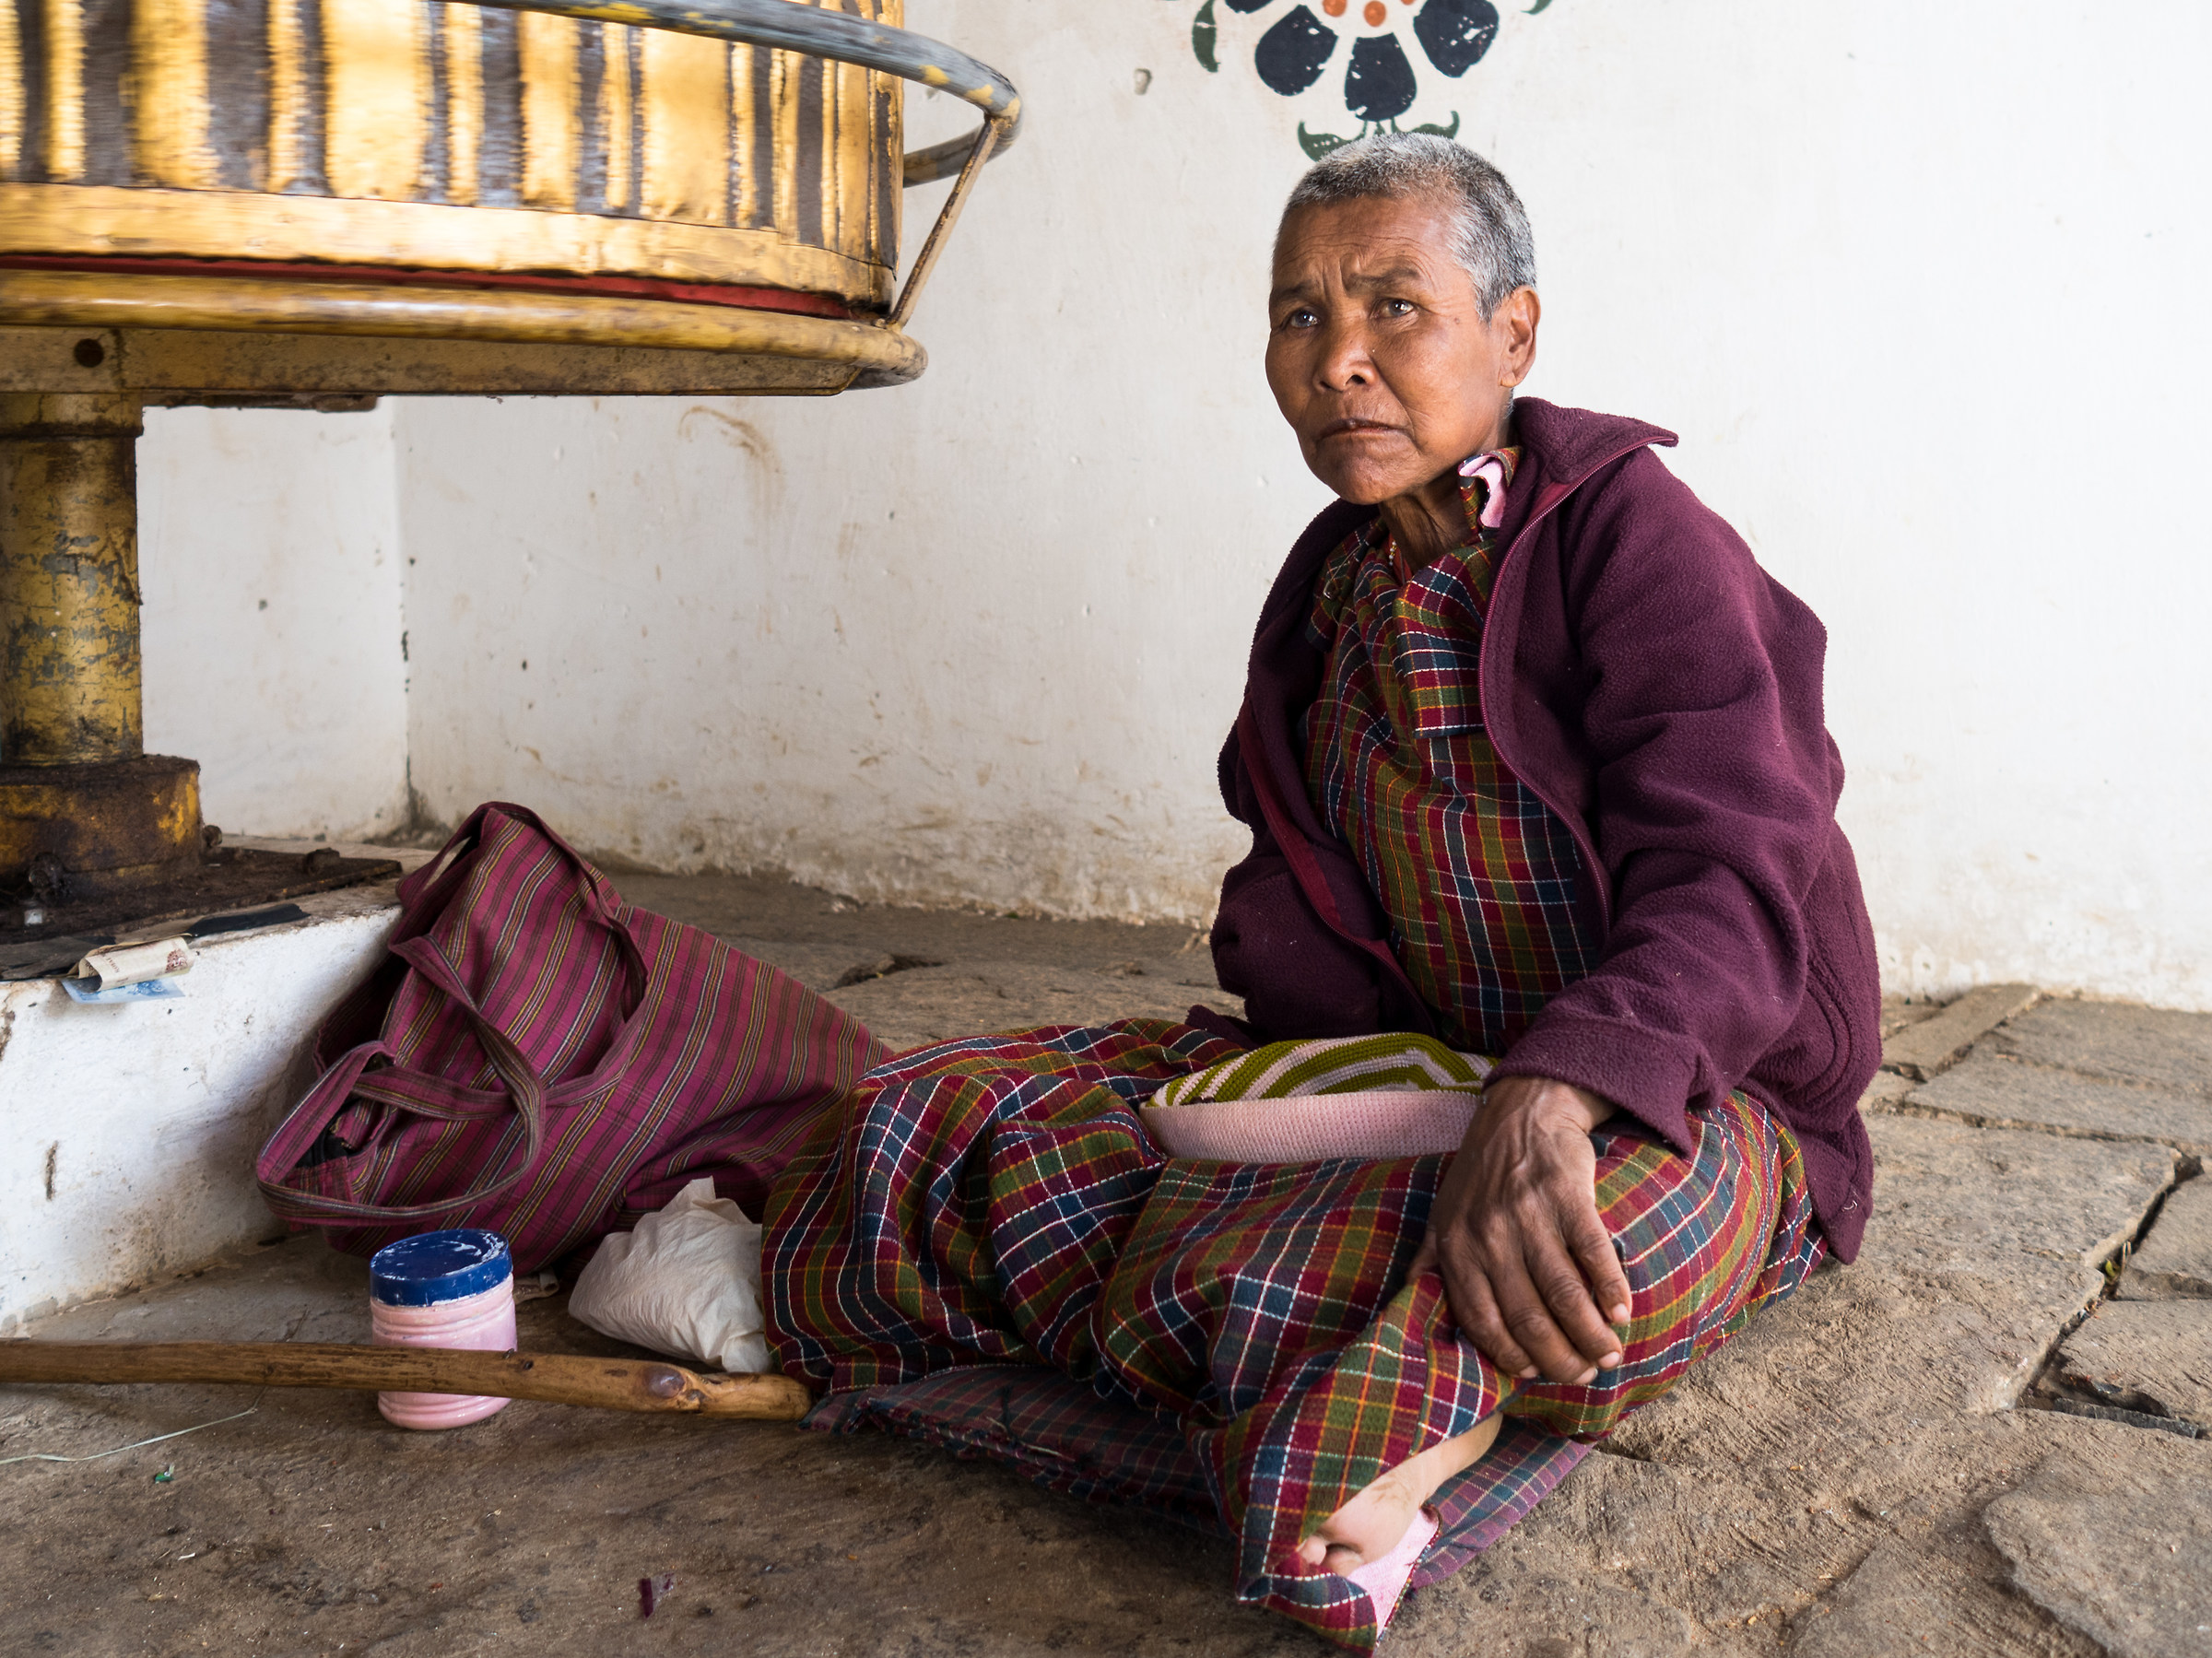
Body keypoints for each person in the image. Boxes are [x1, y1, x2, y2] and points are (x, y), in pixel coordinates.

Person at [762, 135, 1880, 1651]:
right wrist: (1290, 1082)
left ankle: (1354, 1436)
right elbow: (1293, 884)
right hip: (1427, 1075)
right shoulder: (1329, 581)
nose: (1339, 360)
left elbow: (1735, 878)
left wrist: (1549, 1100)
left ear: (1516, 333)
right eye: (1300, 318)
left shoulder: (1640, 541)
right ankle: (1293, 1335)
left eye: (1393, 309)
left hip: (1681, 1094)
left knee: (1586, 1243)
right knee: (932, 1119)